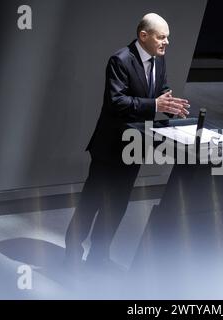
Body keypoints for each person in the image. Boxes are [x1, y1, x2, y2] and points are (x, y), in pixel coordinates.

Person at [65, 13, 190, 269]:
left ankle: (99, 255)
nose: (166, 42)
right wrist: (155, 104)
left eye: (168, 37)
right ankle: (71, 255)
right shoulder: (120, 60)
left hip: (134, 147)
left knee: (117, 205)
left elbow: (160, 90)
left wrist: (171, 106)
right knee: (93, 201)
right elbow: (117, 101)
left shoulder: (158, 60)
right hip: (109, 147)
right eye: (161, 37)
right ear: (143, 36)